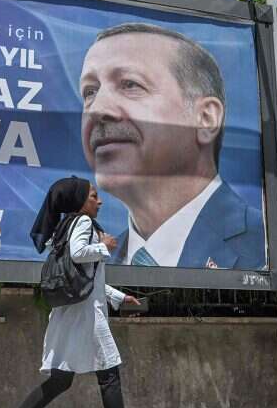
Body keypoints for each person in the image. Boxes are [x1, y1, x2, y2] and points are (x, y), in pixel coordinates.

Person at [0, 177, 160, 408]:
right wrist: (103, 245)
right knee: (110, 372)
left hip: (72, 311)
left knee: (61, 380)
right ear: (79, 200)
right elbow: (80, 255)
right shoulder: (82, 224)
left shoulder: (63, 227)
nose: (99, 201)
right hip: (86, 315)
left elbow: (81, 275)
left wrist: (117, 297)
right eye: (94, 196)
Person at [78, 22, 265, 270]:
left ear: (206, 119)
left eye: (130, 84)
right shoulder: (96, 263)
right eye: (90, 91)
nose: (98, 109)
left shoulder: (266, 245)